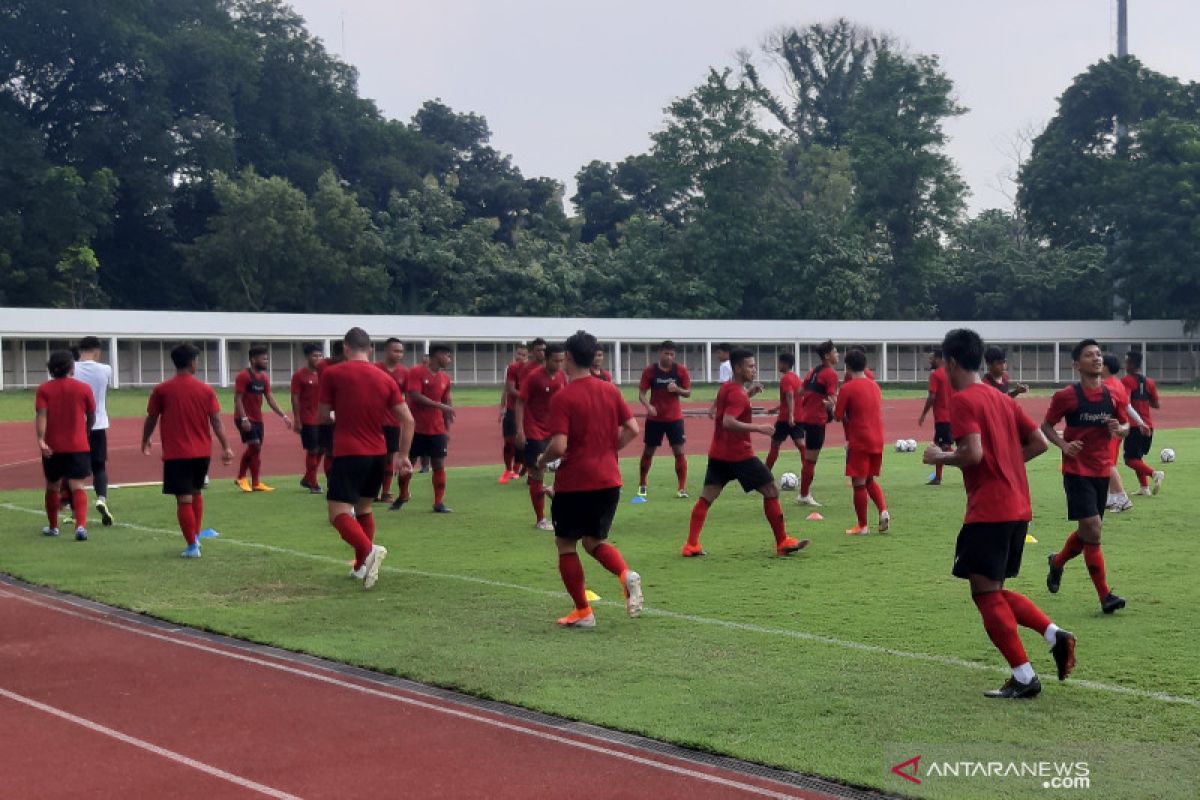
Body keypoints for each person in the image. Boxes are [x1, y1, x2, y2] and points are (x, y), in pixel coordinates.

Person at [923, 329, 1075, 699]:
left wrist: (939, 456)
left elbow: (972, 453)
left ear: (952, 362)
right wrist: (1005, 464)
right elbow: (1039, 442)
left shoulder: (963, 400)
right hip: (1018, 506)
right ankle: (1055, 636)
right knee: (993, 590)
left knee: (985, 595)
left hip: (989, 510)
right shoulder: (1002, 398)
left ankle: (1024, 677)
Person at [532, 330, 643, 628]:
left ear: (567, 357)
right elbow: (632, 428)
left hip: (576, 482)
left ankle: (584, 612)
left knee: (566, 543)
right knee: (594, 541)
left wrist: (541, 462)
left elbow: (559, 446)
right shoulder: (610, 390)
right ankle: (624, 574)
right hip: (609, 479)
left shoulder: (564, 397)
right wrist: (607, 450)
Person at [682, 348, 810, 558]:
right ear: (738, 367)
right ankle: (782, 542)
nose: (754, 369)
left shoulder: (728, 388)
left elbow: (723, 410)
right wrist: (759, 428)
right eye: (750, 366)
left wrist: (749, 393)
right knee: (771, 490)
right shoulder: (737, 393)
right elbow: (728, 421)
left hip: (718, 454)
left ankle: (691, 545)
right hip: (738, 454)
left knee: (706, 498)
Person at [318, 327, 413, 589]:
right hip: (378, 453)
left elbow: (323, 416)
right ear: (369, 349)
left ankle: (368, 550)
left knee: (337, 513)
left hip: (349, 451)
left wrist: (337, 416)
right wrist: (403, 455)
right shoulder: (384, 378)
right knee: (364, 508)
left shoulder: (333, 373)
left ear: (346, 348)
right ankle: (360, 566)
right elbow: (408, 419)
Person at [1042, 339, 1129, 615]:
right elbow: (1046, 425)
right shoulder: (1066, 396)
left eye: (1099, 354)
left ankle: (1057, 561)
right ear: (1077, 365)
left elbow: (1126, 425)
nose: (1097, 358)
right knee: (1092, 527)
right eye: (1090, 355)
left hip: (1102, 470)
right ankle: (1105, 596)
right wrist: (1064, 446)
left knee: (1087, 532)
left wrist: (1120, 429)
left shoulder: (1114, 394)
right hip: (1076, 471)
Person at [141, 344, 234, 557]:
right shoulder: (206, 389)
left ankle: (192, 545)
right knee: (196, 491)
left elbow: (152, 418)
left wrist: (145, 439)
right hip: (202, 452)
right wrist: (226, 447)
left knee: (184, 499)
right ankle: (196, 538)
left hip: (177, 453)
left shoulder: (162, 390)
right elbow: (217, 421)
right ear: (192, 362)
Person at [35, 350, 96, 541]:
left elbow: (42, 415)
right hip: (78, 444)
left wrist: (41, 439)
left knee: (52, 485)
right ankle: (81, 526)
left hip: (53, 446)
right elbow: (92, 415)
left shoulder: (44, 389)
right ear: (71, 367)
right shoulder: (84, 388)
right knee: (78, 484)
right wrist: (86, 429)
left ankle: (54, 527)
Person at [835, 349, 889, 535]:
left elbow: (838, 415)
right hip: (877, 437)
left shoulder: (847, 388)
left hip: (859, 439)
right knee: (869, 479)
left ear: (847, 367)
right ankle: (883, 510)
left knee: (858, 482)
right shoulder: (875, 386)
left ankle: (863, 525)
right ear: (865, 365)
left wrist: (830, 405)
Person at [396, 344, 454, 512]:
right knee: (408, 464)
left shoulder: (445, 378)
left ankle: (438, 502)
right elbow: (415, 395)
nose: (449, 360)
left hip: (437, 429)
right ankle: (403, 494)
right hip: (415, 428)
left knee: (439, 465)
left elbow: (447, 402)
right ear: (437, 355)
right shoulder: (416, 371)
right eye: (447, 356)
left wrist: (447, 430)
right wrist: (442, 407)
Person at [516, 343, 568, 530]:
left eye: (562, 360)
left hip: (555, 430)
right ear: (546, 359)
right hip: (534, 430)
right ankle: (540, 519)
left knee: (568, 464)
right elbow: (520, 403)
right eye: (556, 360)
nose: (560, 364)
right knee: (537, 473)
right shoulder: (534, 378)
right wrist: (520, 431)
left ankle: (554, 489)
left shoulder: (562, 376)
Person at [637, 341, 692, 499]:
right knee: (648, 451)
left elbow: (688, 393)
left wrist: (678, 389)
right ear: (659, 353)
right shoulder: (650, 371)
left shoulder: (680, 370)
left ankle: (681, 488)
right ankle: (642, 485)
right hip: (655, 419)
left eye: (672, 354)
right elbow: (641, 394)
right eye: (666, 353)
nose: (669, 357)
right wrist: (648, 406)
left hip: (674, 418)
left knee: (679, 452)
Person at [234, 345, 291, 493]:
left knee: (256, 450)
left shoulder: (264, 378)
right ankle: (241, 477)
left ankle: (256, 483)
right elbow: (238, 399)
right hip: (244, 418)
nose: (266, 361)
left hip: (258, 419)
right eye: (263, 359)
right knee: (255, 446)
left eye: (267, 358)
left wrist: (284, 416)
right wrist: (244, 418)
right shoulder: (244, 376)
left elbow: (270, 399)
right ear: (253, 360)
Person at [73, 336, 115, 525]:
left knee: (75, 469)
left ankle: (75, 510)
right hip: (98, 423)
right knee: (99, 466)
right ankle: (101, 498)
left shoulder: (71, 368)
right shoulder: (105, 369)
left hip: (76, 425)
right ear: (97, 351)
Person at [1101, 353, 1147, 513]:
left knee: (1106, 463)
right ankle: (1113, 497)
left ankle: (1121, 498)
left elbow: (1111, 408)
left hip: (1111, 429)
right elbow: (1127, 407)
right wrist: (1141, 422)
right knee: (1107, 462)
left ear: (1105, 367)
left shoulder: (1108, 386)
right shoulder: (1117, 384)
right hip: (1119, 428)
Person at [796, 340, 839, 506]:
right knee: (811, 459)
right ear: (827, 356)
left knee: (809, 458)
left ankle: (804, 492)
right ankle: (804, 495)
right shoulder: (831, 374)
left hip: (807, 417)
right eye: (835, 352)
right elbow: (832, 398)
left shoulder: (813, 371)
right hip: (816, 420)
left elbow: (800, 391)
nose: (837, 355)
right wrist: (832, 406)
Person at [1122, 350, 1164, 497]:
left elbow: (1124, 401)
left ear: (1132, 364)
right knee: (1137, 458)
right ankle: (1144, 488)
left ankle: (1154, 474)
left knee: (1129, 459)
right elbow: (1156, 404)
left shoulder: (1127, 381)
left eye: (1127, 362)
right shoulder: (1150, 382)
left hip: (1135, 426)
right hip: (1149, 426)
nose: (1125, 364)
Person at [375, 338, 409, 503]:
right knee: (373, 457)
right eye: (395, 351)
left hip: (393, 423)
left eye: (401, 351)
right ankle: (372, 490)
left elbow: (407, 397)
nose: (398, 354)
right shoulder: (375, 369)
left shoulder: (404, 373)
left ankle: (386, 492)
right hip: (373, 421)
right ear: (386, 351)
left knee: (389, 458)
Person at [291, 343, 324, 493]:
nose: (318, 358)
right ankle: (313, 483)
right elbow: (295, 398)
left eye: (320, 355)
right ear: (307, 357)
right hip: (308, 418)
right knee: (313, 450)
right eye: (314, 355)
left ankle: (307, 478)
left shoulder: (325, 373)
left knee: (323, 449)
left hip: (323, 417)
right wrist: (297, 420)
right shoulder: (299, 375)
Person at [918, 348, 954, 486]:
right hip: (954, 416)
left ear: (939, 359)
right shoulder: (952, 374)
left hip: (943, 418)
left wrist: (923, 414)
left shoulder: (936, 375)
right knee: (941, 447)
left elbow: (932, 396)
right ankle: (937, 478)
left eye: (932, 358)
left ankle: (973, 464)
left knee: (945, 449)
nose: (930, 361)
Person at [765, 352, 804, 471]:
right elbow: (796, 397)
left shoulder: (785, 378)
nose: (778, 365)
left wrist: (790, 415)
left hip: (785, 419)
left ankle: (765, 473)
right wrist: (777, 408)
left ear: (785, 364)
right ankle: (808, 470)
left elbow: (790, 395)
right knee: (801, 446)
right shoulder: (796, 378)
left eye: (779, 363)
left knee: (775, 445)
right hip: (798, 418)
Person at [497, 343, 529, 483]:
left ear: (528, 356)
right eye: (518, 354)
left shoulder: (533, 370)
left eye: (523, 355)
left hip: (527, 411)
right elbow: (507, 389)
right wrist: (502, 407)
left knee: (523, 443)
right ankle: (507, 469)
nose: (520, 357)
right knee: (508, 442)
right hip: (511, 409)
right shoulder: (511, 368)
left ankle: (519, 468)